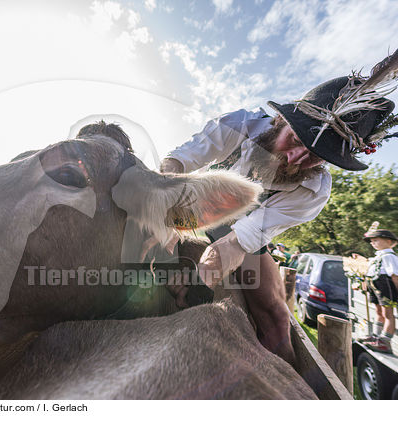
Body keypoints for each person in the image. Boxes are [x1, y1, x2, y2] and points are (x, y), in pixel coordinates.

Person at [160, 67, 397, 364]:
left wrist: (199, 282)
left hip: (243, 231)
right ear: (280, 120)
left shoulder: (314, 190)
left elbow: (236, 242)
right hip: (196, 207)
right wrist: (164, 209)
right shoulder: (239, 124)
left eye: (315, 155)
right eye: (296, 140)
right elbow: (178, 162)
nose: (296, 160)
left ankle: (290, 376)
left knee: (273, 311)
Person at [358, 223, 398, 353]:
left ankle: (385, 342)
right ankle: (376, 336)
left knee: (388, 314)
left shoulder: (389, 257)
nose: (372, 243)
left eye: (375, 240)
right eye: (371, 241)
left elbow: (394, 275)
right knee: (379, 312)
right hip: (375, 286)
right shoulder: (377, 257)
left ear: (388, 241)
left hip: (385, 286)